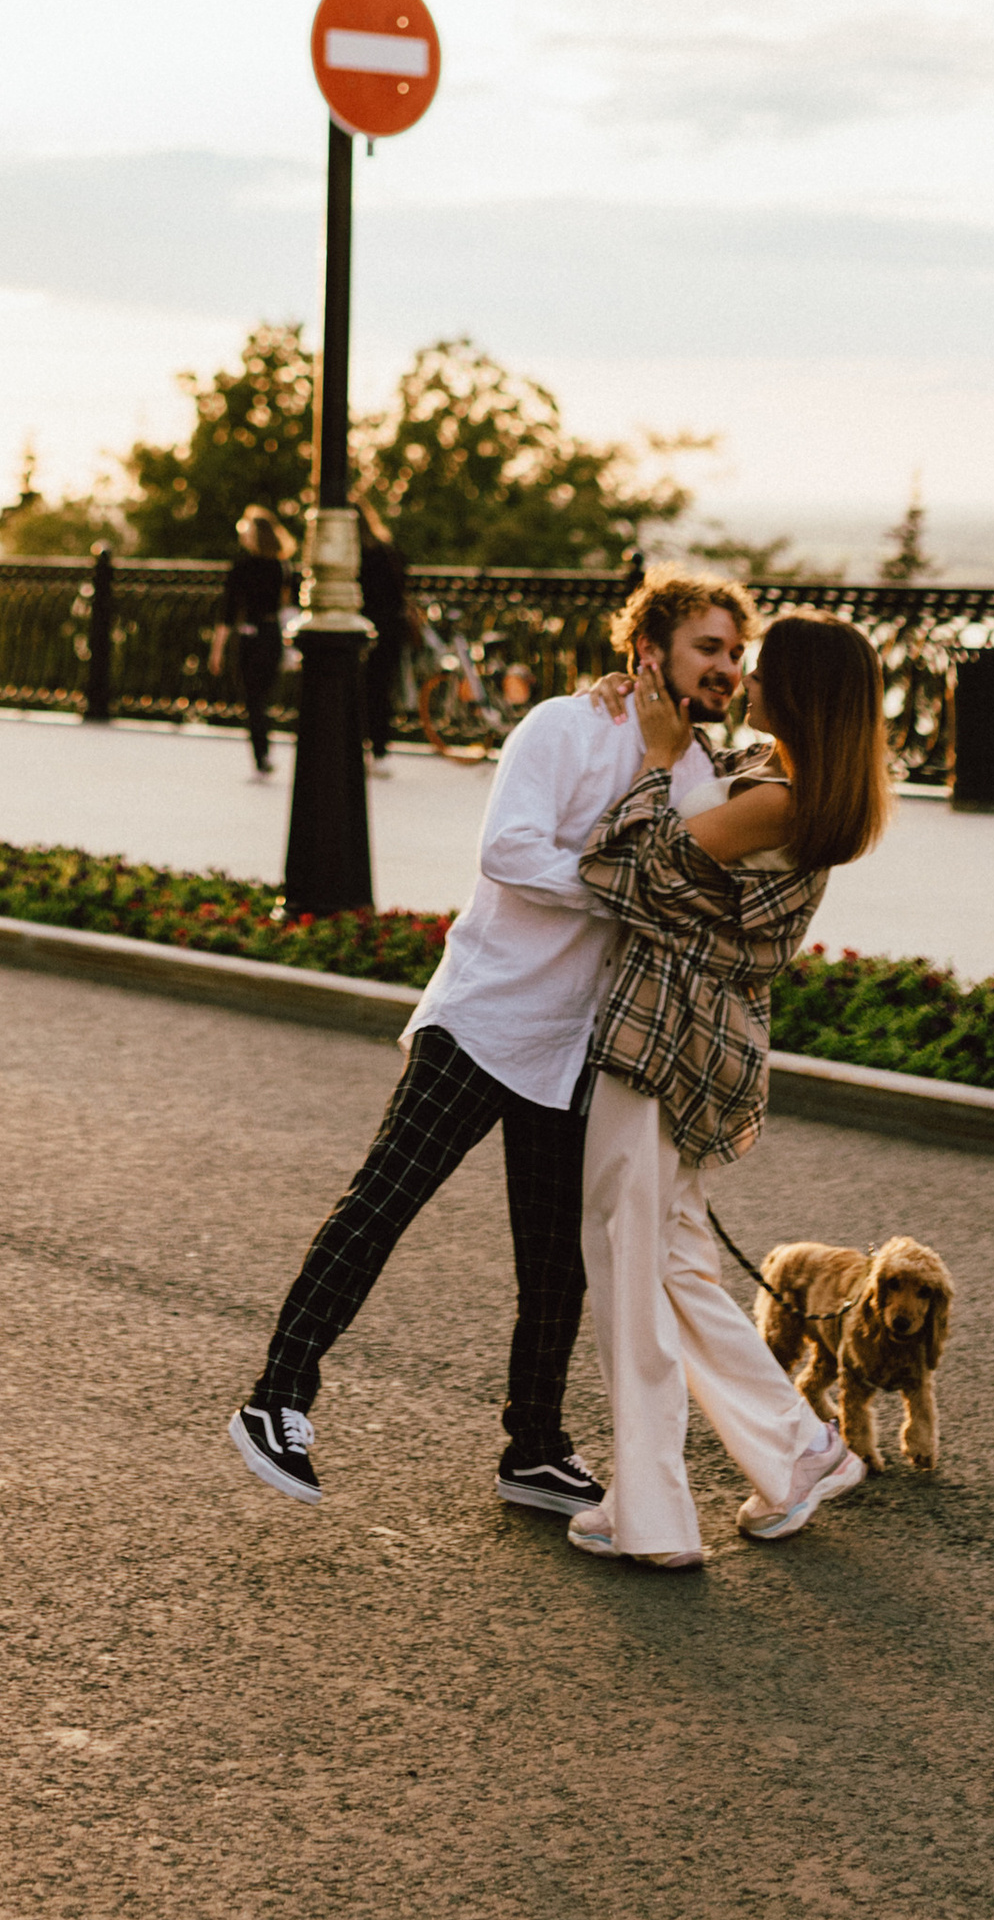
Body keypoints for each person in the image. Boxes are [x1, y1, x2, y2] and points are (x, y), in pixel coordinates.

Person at [226, 570, 757, 1514]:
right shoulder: (565, 726)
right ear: (651, 651)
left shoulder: (702, 775)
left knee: (554, 1260)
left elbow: (682, 899)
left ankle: (535, 1449)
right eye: (708, 648)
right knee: (383, 1202)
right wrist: (621, 877)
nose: (726, 666)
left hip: (577, 1045)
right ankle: (278, 1396)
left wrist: (641, 865)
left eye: (734, 652)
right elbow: (509, 850)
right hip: (484, 1019)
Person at [570, 611, 891, 1572]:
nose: (741, 675)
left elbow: (620, 865)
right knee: (669, 1262)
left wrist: (655, 764)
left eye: (759, 666)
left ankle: (655, 1516)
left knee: (628, 1264)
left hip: (663, 1037)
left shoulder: (779, 799)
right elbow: (680, 829)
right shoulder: (789, 780)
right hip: (698, 1038)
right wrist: (634, 710)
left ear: (796, 692)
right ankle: (796, 1454)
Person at [210, 506, 293, 779]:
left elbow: (227, 612)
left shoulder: (242, 567)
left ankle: (261, 754)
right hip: (272, 635)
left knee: (253, 699)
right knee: (264, 697)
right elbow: (285, 605)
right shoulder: (281, 567)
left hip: (249, 636)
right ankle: (265, 751)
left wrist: (217, 650)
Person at [357, 499, 416, 777]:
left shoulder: (356, 556)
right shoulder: (387, 551)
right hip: (392, 629)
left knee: (361, 692)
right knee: (382, 692)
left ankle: (364, 749)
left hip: (365, 629)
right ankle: (379, 751)